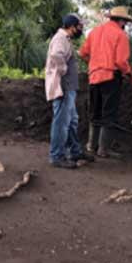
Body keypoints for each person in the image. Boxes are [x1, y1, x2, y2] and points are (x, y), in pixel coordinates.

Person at [79, 6, 132, 158]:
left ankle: (91, 147)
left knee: (95, 112)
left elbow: (83, 53)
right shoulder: (120, 35)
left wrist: (95, 64)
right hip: (110, 78)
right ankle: (103, 149)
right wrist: (130, 75)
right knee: (109, 113)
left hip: (94, 77)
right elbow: (120, 61)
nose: (125, 25)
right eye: (125, 22)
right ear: (121, 21)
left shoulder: (94, 32)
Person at [45, 14, 95, 169]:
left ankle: (75, 151)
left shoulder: (65, 39)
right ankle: (57, 156)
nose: (81, 29)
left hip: (68, 87)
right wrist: (64, 70)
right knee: (62, 123)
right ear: (72, 26)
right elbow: (55, 55)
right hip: (64, 87)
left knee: (72, 121)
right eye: (80, 26)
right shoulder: (60, 39)